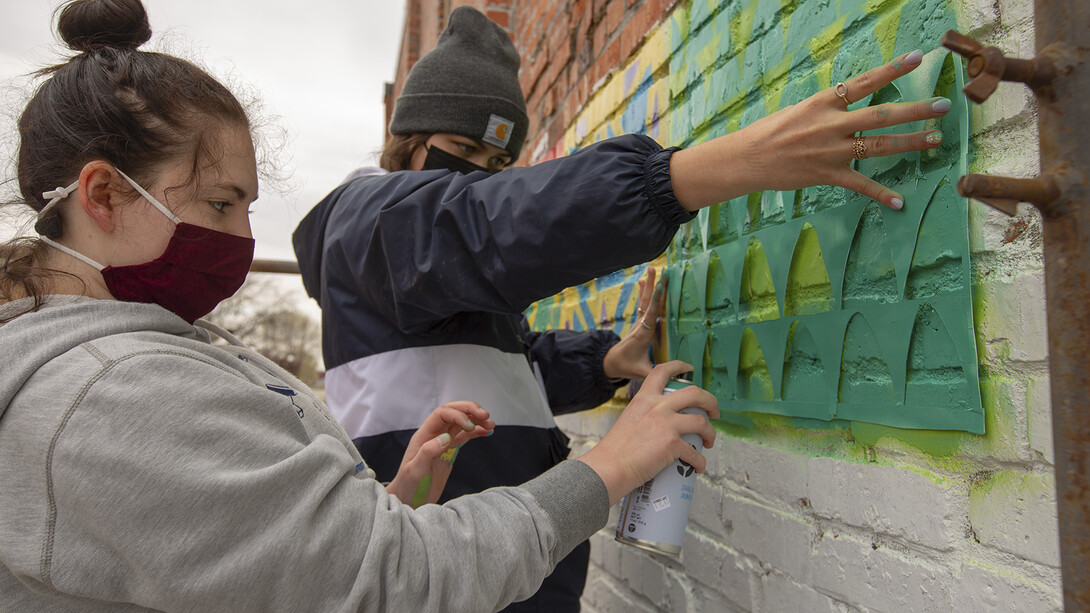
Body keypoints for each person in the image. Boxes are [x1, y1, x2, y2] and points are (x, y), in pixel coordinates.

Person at [0, 1, 720, 611]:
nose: (244, 238)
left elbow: (503, 366)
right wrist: (683, 178)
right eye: (221, 203)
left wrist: (596, 362)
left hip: (478, 543)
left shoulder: (135, 360)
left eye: (248, 206)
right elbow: (387, 582)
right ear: (101, 194)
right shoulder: (118, 392)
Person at [292, 6, 951, 611]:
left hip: (510, 580)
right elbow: (484, 225)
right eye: (462, 152)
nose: (479, 175)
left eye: (498, 159)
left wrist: (605, 360)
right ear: (405, 143)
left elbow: (496, 378)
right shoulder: (370, 218)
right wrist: (700, 171)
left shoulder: (420, 278)